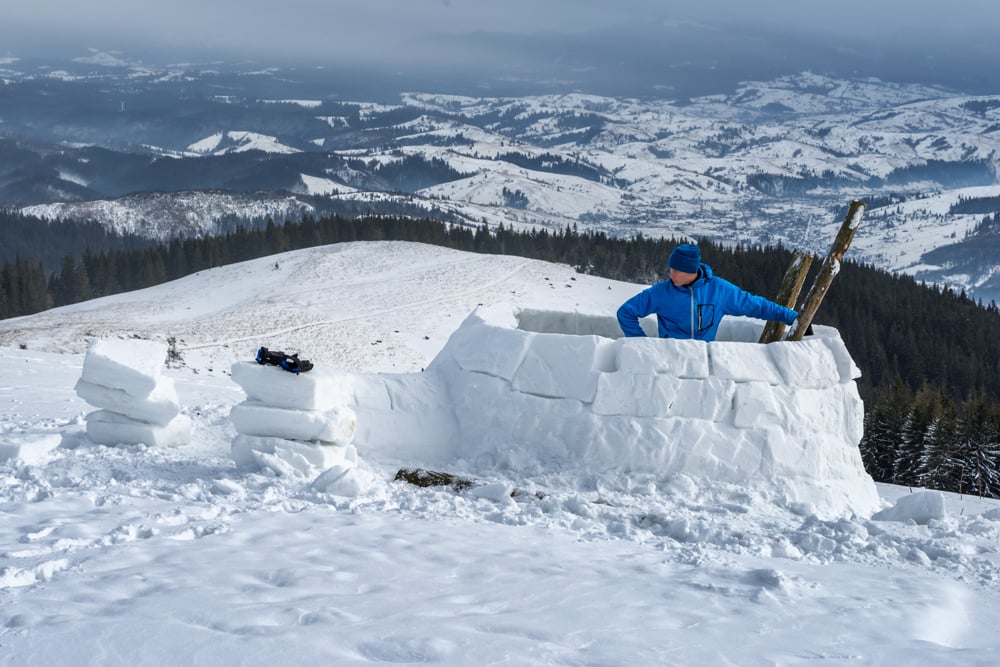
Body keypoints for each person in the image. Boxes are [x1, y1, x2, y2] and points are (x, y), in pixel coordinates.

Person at [617, 243, 797, 341]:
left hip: (703, 362)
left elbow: (756, 305)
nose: (670, 274)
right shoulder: (661, 292)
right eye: (670, 269)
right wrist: (642, 344)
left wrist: (792, 317)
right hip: (669, 360)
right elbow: (625, 312)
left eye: (676, 271)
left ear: (690, 271)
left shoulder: (719, 290)